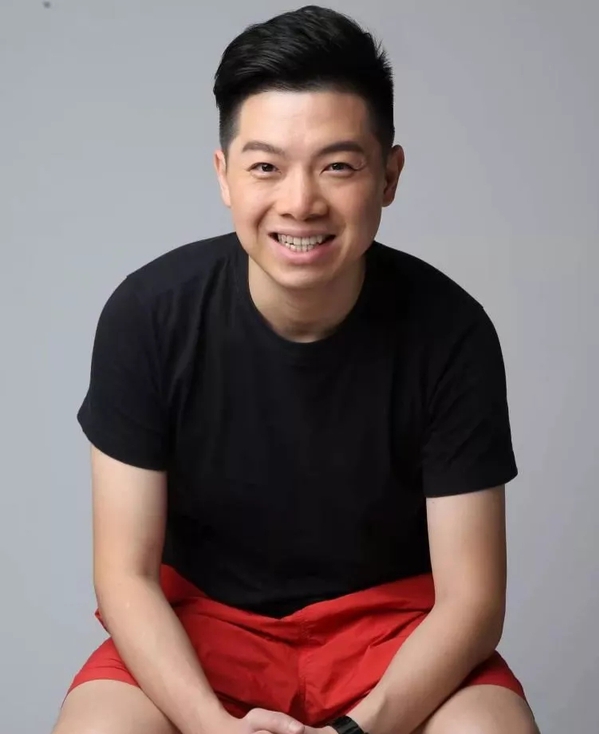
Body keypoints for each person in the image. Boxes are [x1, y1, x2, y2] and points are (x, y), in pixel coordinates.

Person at [52, 5, 540, 734]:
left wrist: (360, 729)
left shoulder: (452, 332)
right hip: (201, 632)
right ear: (224, 176)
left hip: (393, 636)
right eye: (266, 167)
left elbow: (471, 600)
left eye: (338, 166)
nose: (300, 202)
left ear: (389, 176)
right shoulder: (147, 316)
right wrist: (210, 726)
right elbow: (124, 575)